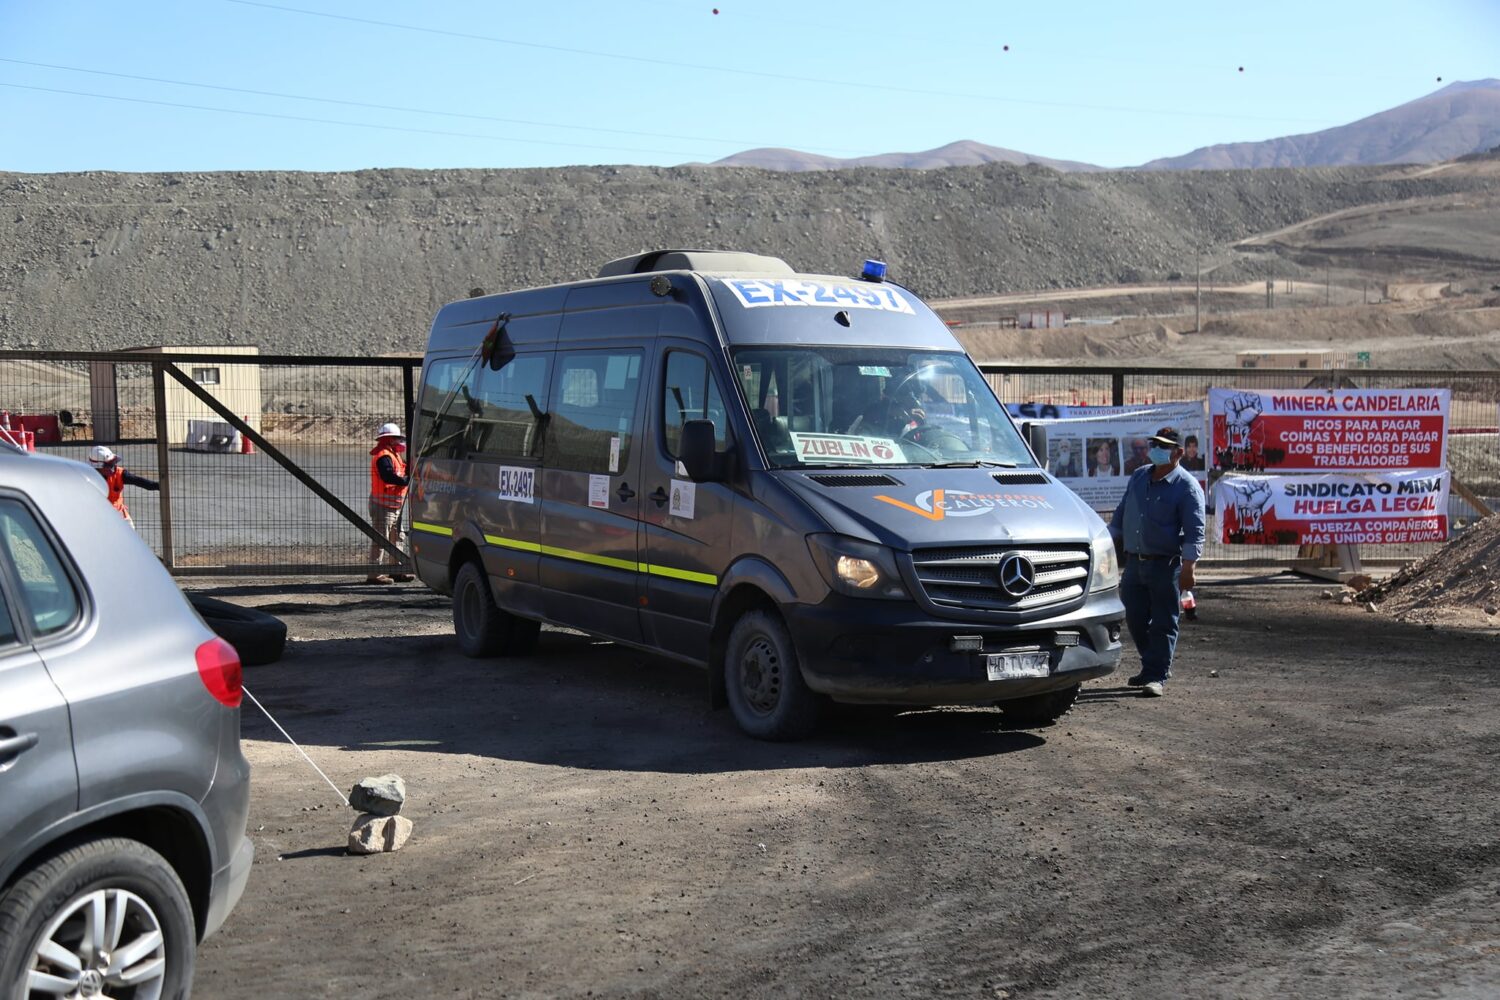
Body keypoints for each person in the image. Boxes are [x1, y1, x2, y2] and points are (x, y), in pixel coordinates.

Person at [1108, 426, 1206, 698]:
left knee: (1163, 621)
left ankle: (1156, 674)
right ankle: (1154, 664)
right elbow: (1122, 512)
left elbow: (1195, 531)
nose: (1156, 450)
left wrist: (1189, 567)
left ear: (1178, 452)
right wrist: (1107, 540)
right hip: (1134, 562)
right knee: (1134, 617)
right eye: (1155, 444)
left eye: (1163, 446)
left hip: (1166, 565)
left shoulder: (1187, 487)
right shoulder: (1139, 476)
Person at [368, 422, 413, 584]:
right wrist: (405, 480)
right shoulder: (384, 456)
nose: (399, 441)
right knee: (380, 539)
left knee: (398, 537)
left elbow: (401, 471)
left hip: (394, 505)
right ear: (389, 439)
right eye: (396, 438)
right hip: (383, 505)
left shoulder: (393, 455)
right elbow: (388, 476)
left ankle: (397, 571)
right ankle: (374, 575)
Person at [86, 446, 158, 528]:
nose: (113, 467)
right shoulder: (88, 478)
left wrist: (159, 486)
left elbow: (138, 481)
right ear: (98, 467)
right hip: (99, 517)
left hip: (120, 514)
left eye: (113, 463)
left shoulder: (120, 474)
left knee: (131, 534)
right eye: (109, 465)